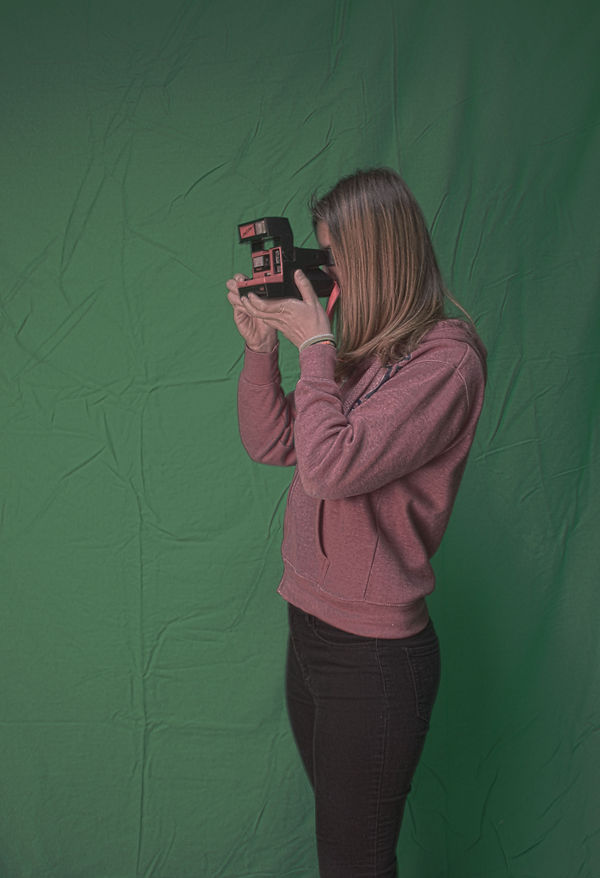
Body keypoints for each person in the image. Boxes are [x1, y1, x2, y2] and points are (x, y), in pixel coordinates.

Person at [226, 168, 486, 878]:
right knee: (346, 849)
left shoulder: (447, 362)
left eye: (335, 257)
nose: (325, 275)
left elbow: (329, 469)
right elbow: (272, 443)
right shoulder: (367, 354)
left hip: (372, 657)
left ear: (378, 257)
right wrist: (262, 348)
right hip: (310, 628)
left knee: (353, 863)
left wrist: (314, 349)